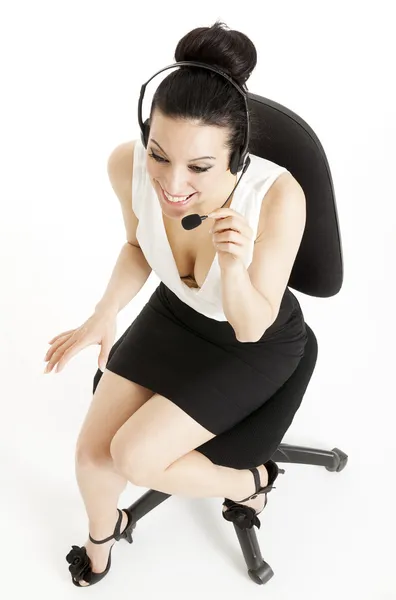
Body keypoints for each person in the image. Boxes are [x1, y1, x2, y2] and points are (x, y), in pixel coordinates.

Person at [44, 20, 308, 587]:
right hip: (176, 315)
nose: (171, 183)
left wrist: (234, 265)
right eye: (160, 154)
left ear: (238, 159)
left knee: (135, 456)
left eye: (200, 168)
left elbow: (252, 324)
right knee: (93, 459)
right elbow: (140, 245)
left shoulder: (279, 197)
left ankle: (252, 483)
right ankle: (102, 535)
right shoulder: (129, 165)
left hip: (253, 340)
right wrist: (105, 310)